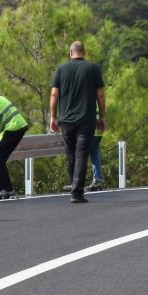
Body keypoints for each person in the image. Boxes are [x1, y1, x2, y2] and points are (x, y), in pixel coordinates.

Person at [48, 40, 105, 203]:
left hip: (65, 121)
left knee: (71, 154)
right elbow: (100, 95)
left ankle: (74, 186)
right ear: (84, 52)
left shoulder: (61, 69)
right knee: (81, 155)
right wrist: (102, 117)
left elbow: (53, 95)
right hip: (86, 120)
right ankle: (77, 192)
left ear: (70, 52)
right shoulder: (93, 68)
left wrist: (53, 117)